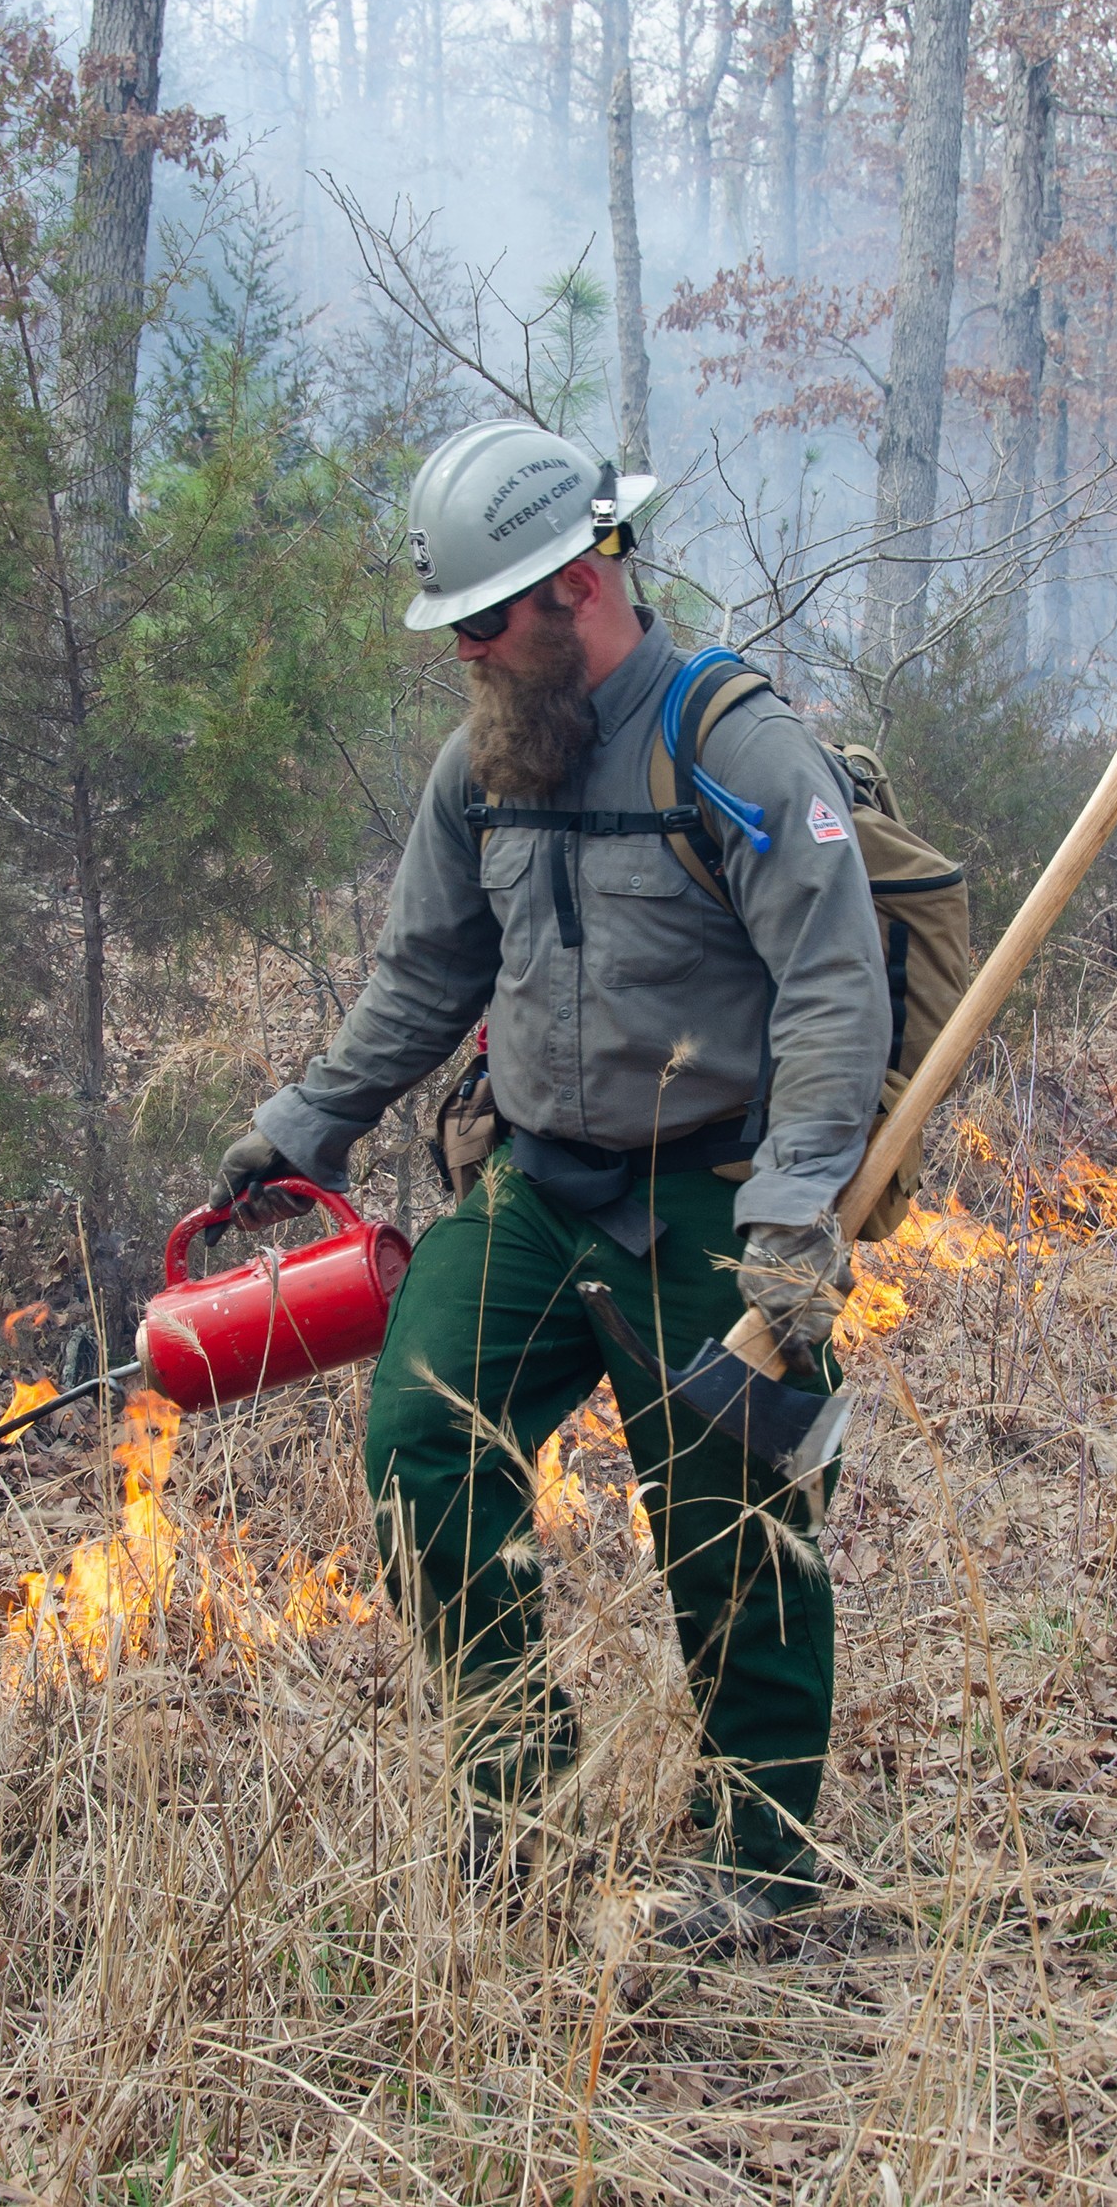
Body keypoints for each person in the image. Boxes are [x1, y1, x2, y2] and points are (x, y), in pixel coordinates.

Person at [209, 419, 891, 1955]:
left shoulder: (735, 745)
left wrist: (794, 1211)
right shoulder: (484, 766)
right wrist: (305, 1123)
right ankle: (517, 1813)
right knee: (418, 1452)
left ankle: (757, 1864)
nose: (464, 651)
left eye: (485, 620)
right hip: (537, 1184)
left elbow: (837, 991)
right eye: (453, 623)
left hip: (716, 1194)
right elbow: (427, 972)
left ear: (583, 581)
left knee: (739, 1521)